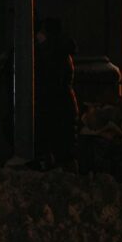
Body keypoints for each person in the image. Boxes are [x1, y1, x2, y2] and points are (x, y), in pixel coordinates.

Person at [35, 18, 79, 168]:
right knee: (65, 144)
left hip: (55, 103)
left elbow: (50, 79)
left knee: (57, 143)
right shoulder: (63, 51)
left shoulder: (51, 52)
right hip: (65, 103)